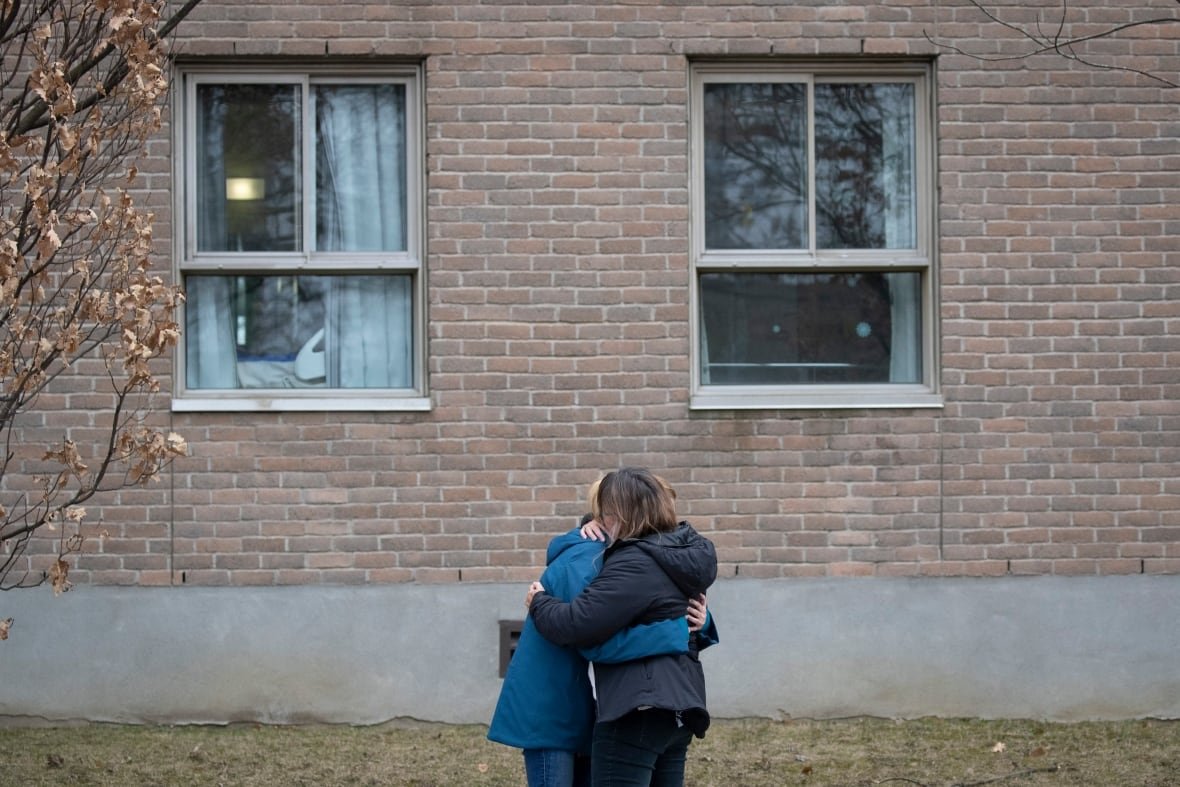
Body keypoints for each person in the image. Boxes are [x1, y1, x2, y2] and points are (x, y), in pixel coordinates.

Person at [488, 480, 713, 787]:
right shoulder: (589, 559)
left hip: (592, 703)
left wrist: (701, 621)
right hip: (556, 704)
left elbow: (655, 604)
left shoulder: (634, 555)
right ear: (615, 515)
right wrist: (675, 633)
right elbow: (588, 636)